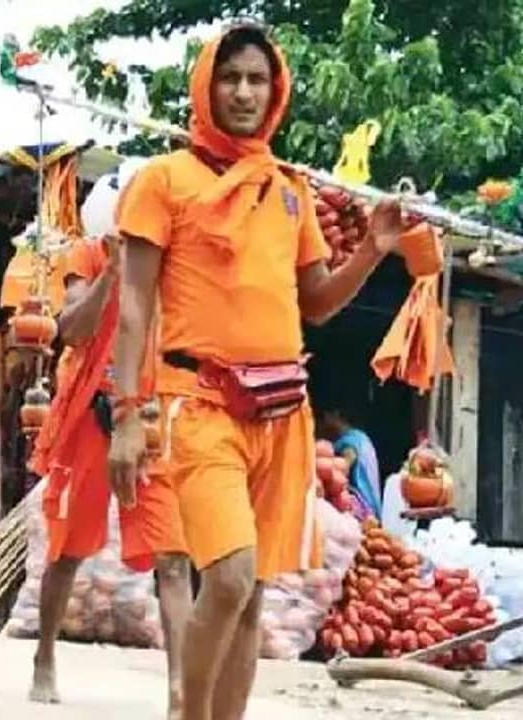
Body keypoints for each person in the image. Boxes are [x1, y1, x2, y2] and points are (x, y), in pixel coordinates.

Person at [108, 23, 403, 720]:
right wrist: (124, 414)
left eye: (257, 80)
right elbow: (133, 307)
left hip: (280, 413)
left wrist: (372, 249)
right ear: (206, 86)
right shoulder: (163, 180)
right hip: (197, 404)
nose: (243, 92)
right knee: (230, 577)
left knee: (251, 597)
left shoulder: (288, 189)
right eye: (230, 78)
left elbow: (316, 303)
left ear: (276, 93)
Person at [24, 224, 191, 712]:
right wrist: (113, 273)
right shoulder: (91, 252)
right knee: (67, 552)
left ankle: (180, 687)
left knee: (174, 557)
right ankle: (44, 657)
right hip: (91, 420)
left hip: (152, 422)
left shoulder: (177, 256)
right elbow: (72, 329)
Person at [320, 405, 382, 519]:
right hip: (370, 505)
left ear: (336, 415)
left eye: (324, 418)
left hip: (361, 507)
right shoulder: (361, 437)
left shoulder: (351, 441)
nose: (322, 425)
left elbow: (345, 465)